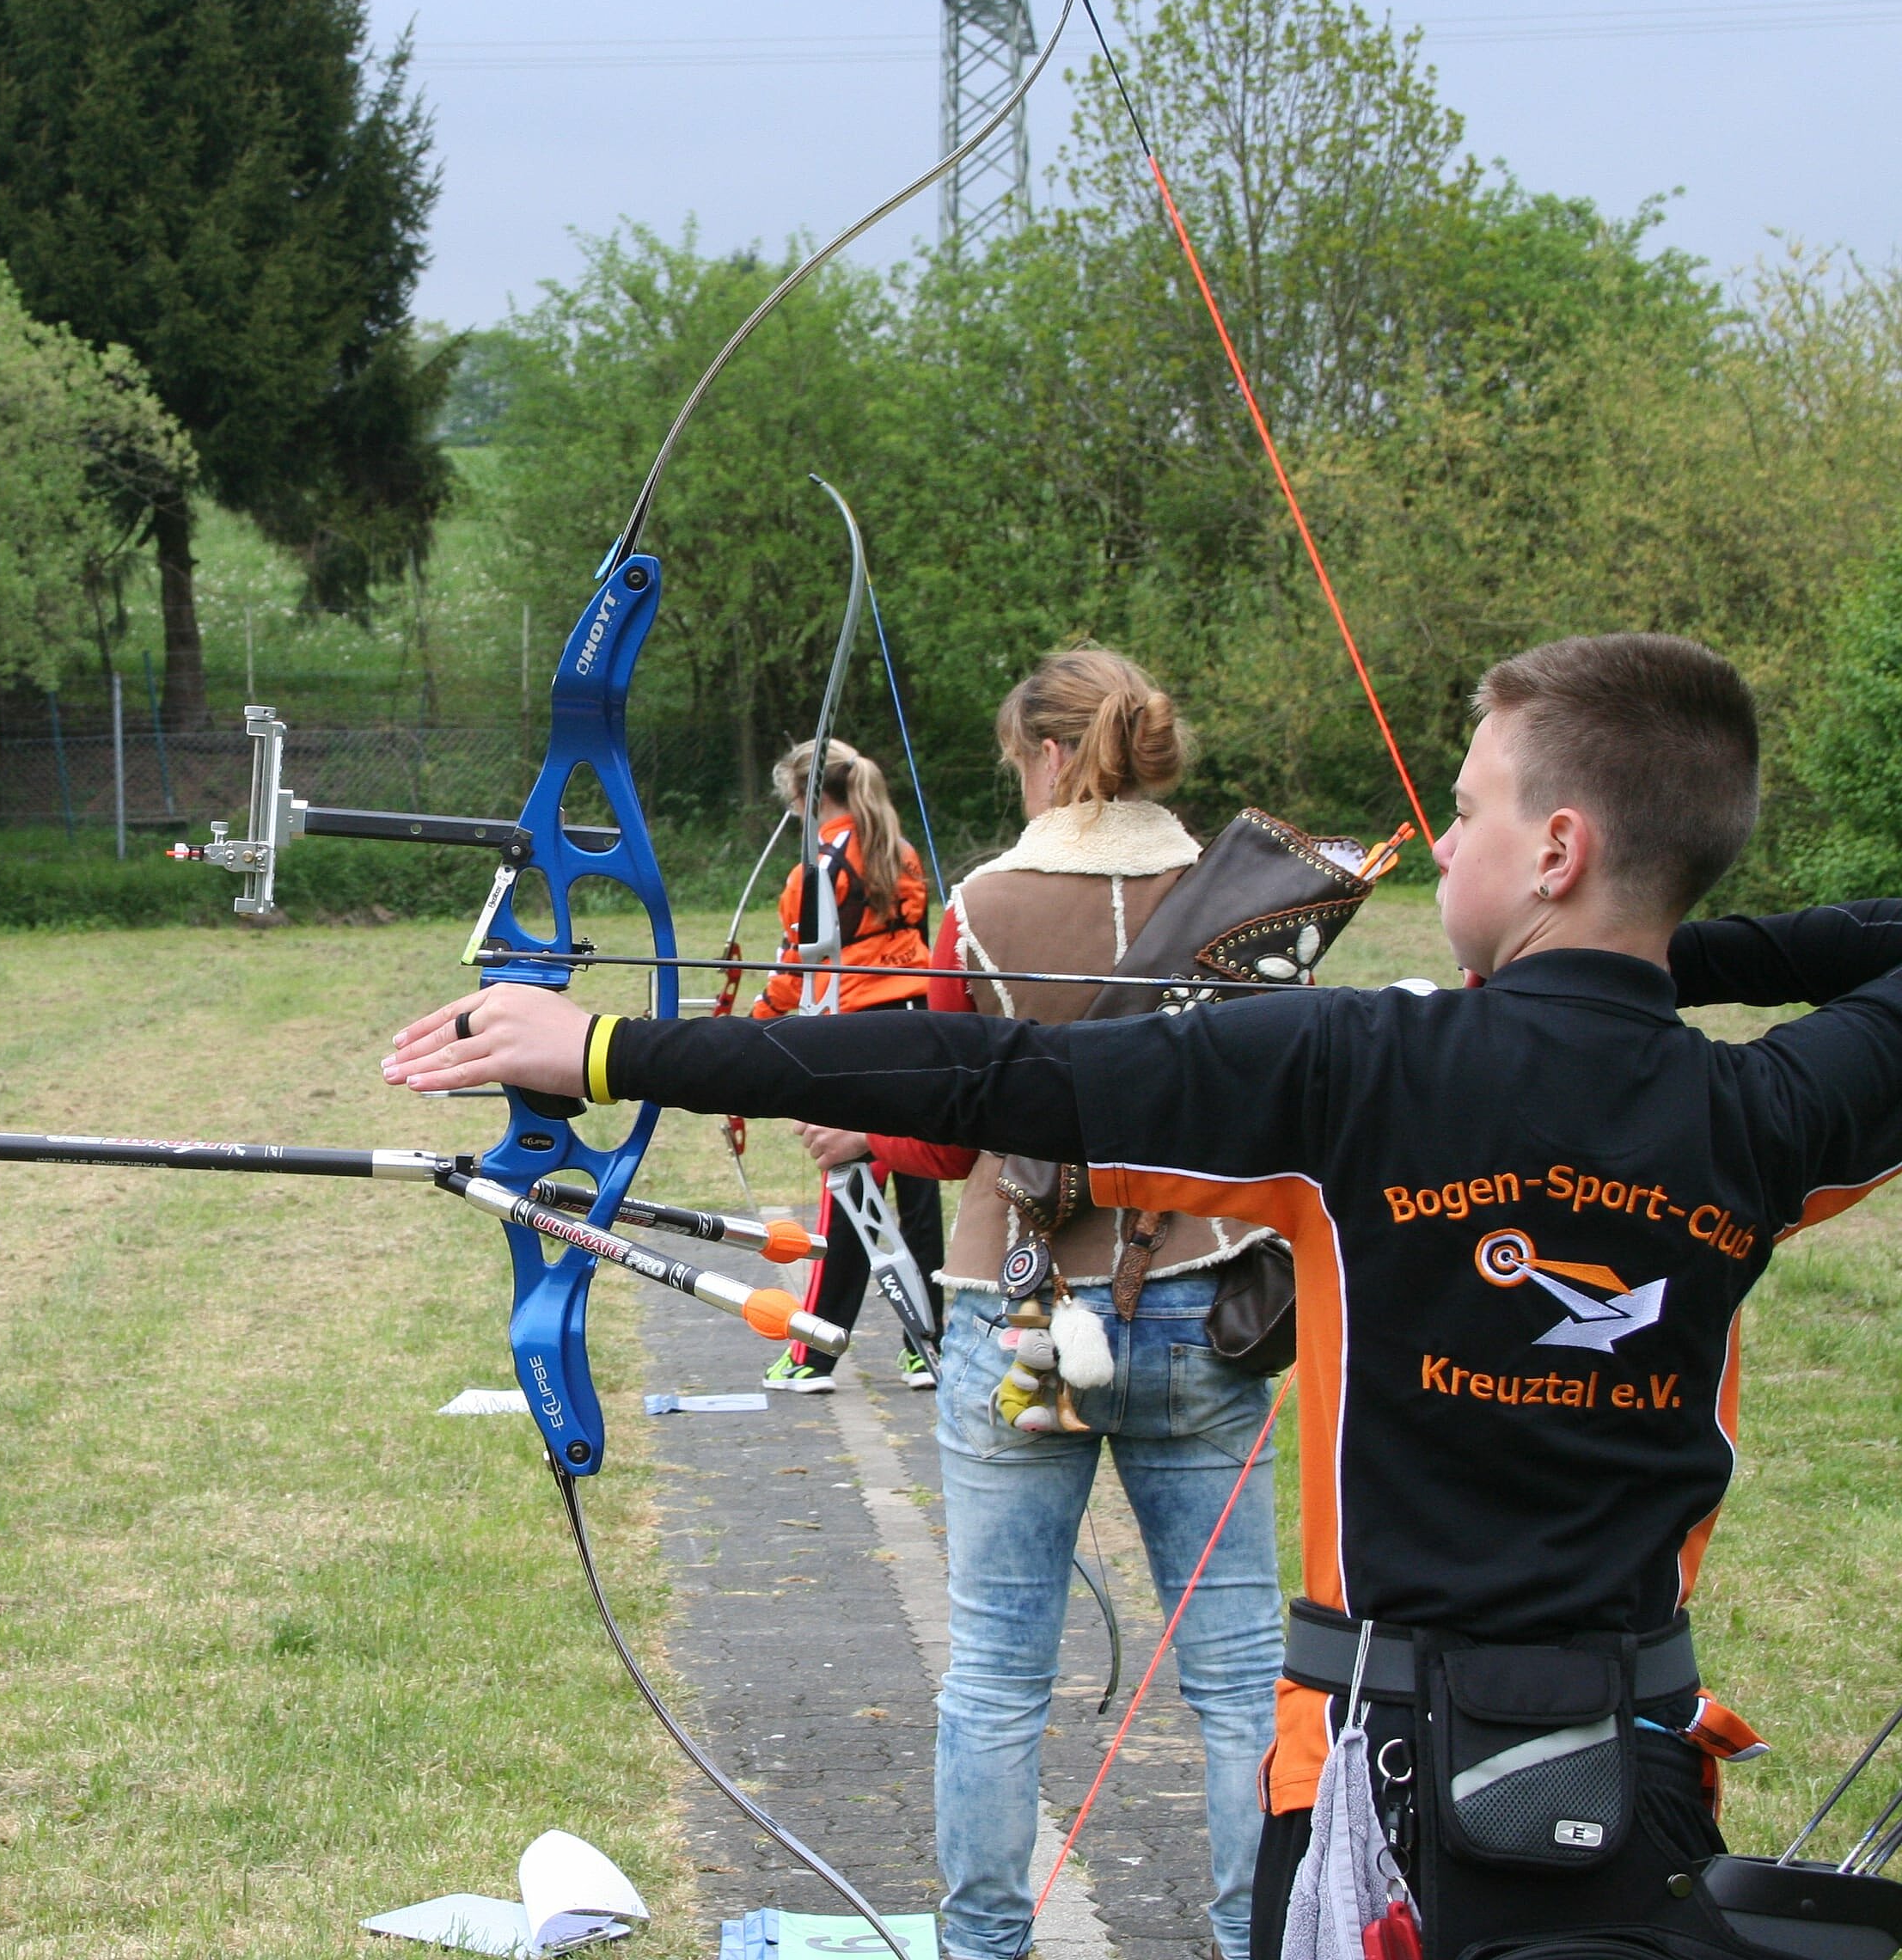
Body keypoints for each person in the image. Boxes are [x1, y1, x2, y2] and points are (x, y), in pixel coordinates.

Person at [387, 634, 1901, 1960]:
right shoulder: (1769, 1116)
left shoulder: (1362, 1070)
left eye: (1467, 808)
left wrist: (607, 1049)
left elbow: (979, 1072)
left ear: (1558, 848)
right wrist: (1650, 958)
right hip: (1630, 1784)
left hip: (1380, 1799)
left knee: (1010, 1659)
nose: (1443, 845)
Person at [784, 649, 1285, 1959]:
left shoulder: (986, 904)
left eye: (1020, 760)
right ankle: (1259, 1939)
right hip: (1207, 1306)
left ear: (1053, 758)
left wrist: (866, 1132)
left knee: (999, 1677)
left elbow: (954, 1137)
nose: (1020, 779)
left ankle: (985, 1947)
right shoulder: (1247, 896)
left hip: (1024, 1311)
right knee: (1242, 1682)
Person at [746, 738, 948, 1394]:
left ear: (806, 795)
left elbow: (793, 971)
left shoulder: (815, 869)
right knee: (917, 1185)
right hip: (919, 1023)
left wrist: (754, 1022)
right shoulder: (898, 849)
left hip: (860, 1034)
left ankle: (814, 1355)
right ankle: (926, 1347)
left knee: (851, 1190)